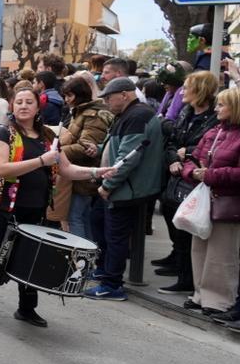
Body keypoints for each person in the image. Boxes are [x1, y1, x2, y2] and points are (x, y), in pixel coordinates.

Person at [0, 86, 109, 326]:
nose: (23, 106)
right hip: (3, 207)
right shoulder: (3, 133)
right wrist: (41, 161)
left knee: (29, 258)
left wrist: (98, 171)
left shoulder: (47, 137)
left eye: (28, 102)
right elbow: (1, 168)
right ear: (12, 106)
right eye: (19, 102)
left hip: (34, 208)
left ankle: (26, 308)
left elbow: (66, 169)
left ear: (37, 107)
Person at [84, 77, 166, 301]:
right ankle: (104, 271)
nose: (107, 102)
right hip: (121, 186)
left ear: (125, 94)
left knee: (115, 236)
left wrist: (108, 186)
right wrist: (100, 149)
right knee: (99, 223)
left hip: (126, 189)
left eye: (109, 97)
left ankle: (112, 284)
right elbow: (120, 146)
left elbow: (128, 158)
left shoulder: (137, 116)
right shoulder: (130, 114)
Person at [178, 88, 240, 324]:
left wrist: (210, 175)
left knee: (222, 254)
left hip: (228, 203)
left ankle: (219, 300)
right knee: (200, 249)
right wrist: (193, 173)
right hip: (206, 200)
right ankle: (201, 294)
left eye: (222, 105)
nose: (216, 109)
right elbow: (191, 159)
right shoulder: (214, 132)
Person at [156, 71, 218, 295]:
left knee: (188, 231)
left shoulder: (213, 117)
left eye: (187, 86)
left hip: (194, 179)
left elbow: (212, 145)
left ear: (199, 89)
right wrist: (173, 158)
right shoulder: (186, 111)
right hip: (176, 175)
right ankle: (179, 266)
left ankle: (187, 278)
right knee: (173, 220)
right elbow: (172, 140)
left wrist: (188, 153)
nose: (183, 91)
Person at [60, 75, 114, 244]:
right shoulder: (83, 112)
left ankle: (82, 260)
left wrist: (57, 152)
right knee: (82, 217)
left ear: (78, 94)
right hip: (82, 173)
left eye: (69, 96)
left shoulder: (92, 115)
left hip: (85, 174)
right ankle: (89, 259)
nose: (67, 100)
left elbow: (86, 147)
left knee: (75, 217)